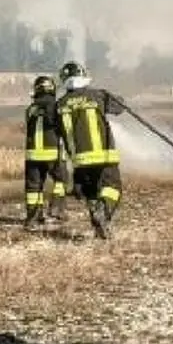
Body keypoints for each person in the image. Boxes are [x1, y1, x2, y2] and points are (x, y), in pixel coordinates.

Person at [55, 61, 127, 240]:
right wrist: (111, 97)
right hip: (104, 157)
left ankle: (99, 228)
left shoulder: (59, 105)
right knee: (112, 188)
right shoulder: (98, 95)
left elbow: (56, 131)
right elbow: (120, 107)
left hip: (80, 162)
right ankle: (104, 210)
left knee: (92, 194)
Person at [22, 75, 72, 230]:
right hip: (52, 152)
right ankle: (56, 209)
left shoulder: (30, 109)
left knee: (33, 187)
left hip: (32, 155)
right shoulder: (56, 106)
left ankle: (33, 218)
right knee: (61, 180)